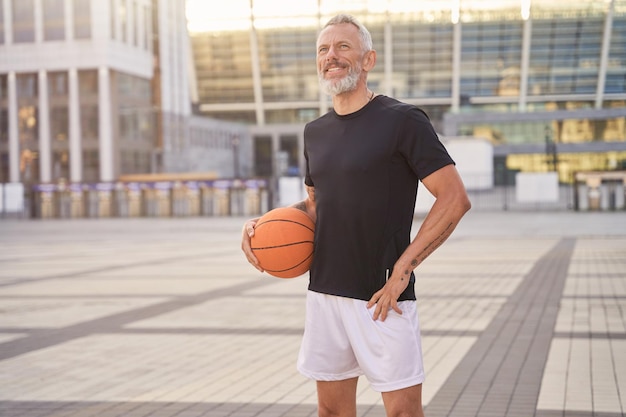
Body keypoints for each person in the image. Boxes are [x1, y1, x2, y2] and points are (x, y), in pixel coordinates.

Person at [242, 14, 471, 417]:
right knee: (330, 412)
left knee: (402, 413)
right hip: (325, 293)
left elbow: (454, 199)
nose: (331, 56)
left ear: (368, 60)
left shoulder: (403, 120)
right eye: (324, 49)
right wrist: (262, 228)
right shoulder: (315, 131)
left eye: (343, 47)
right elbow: (317, 205)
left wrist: (404, 268)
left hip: (382, 297)